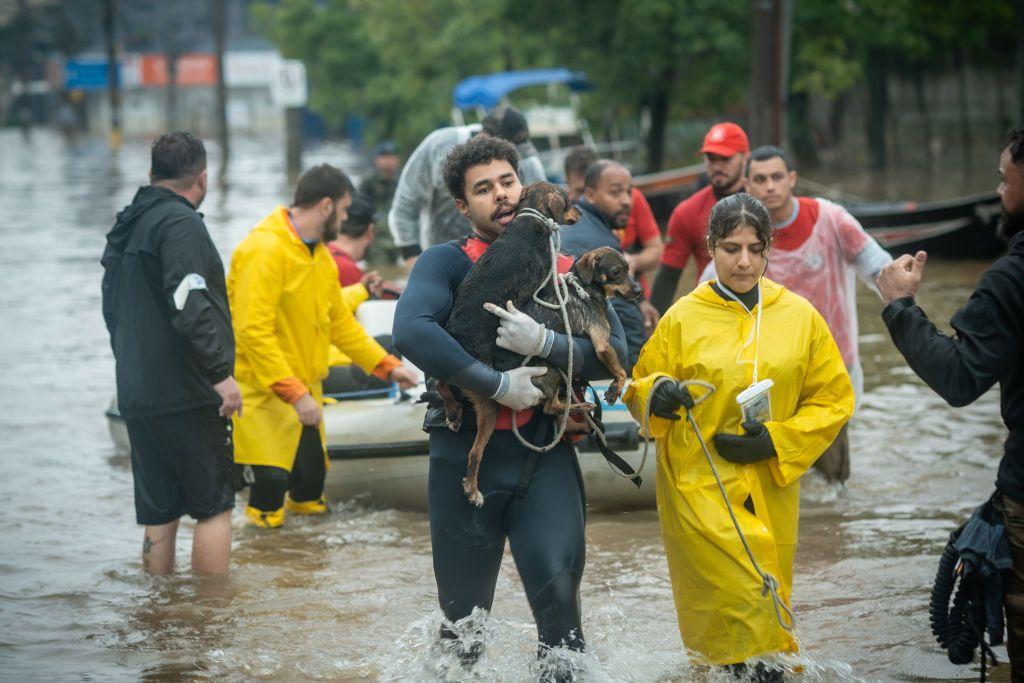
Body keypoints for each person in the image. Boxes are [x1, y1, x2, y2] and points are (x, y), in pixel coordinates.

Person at [392, 135, 627, 669]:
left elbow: (619, 353)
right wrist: (495, 386)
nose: (499, 196)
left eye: (507, 182)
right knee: (462, 637)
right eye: (482, 189)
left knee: (564, 632)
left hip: (544, 460)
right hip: (463, 461)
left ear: (525, 188)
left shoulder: (569, 265)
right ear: (461, 205)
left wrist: (545, 344)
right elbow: (410, 329)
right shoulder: (445, 264)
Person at [624, 193, 853, 676]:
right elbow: (637, 388)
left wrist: (776, 440)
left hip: (771, 486)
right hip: (698, 487)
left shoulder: (800, 317)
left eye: (754, 248)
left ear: (769, 248)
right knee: (741, 603)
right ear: (710, 248)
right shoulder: (683, 317)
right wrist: (657, 394)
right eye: (731, 248)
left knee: (767, 603)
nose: (744, 261)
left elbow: (833, 398)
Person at [876, 131, 1024, 677]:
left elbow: (960, 378)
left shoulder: (1012, 278)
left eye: (1005, 180)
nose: (998, 191)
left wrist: (900, 306)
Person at [228, 164, 418, 528]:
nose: (346, 219)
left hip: (307, 397)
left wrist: (386, 366)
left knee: (311, 490)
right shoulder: (264, 250)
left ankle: (310, 571)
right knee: (268, 502)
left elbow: (339, 325)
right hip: (265, 400)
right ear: (327, 206)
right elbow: (253, 333)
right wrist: (294, 394)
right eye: (345, 210)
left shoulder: (318, 256)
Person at [701, 145, 892, 483]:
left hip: (830, 366)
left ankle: (832, 530)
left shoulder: (831, 219)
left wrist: (898, 286)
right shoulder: (742, 235)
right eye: (760, 179)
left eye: (777, 177)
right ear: (747, 185)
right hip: (766, 374)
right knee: (771, 467)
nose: (770, 186)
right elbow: (706, 295)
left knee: (833, 477)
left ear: (792, 179)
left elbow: (876, 266)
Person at [101, 131, 240, 575]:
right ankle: (207, 621)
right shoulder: (180, 224)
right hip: (189, 391)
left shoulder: (124, 228)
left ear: (151, 174)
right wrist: (220, 374)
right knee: (214, 507)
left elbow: (112, 312)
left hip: (138, 394)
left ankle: (159, 613)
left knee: (159, 512)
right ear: (202, 179)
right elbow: (189, 300)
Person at [388, 105, 547, 268]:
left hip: (505, 263)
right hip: (443, 261)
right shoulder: (439, 147)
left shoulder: (528, 163)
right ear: (484, 136)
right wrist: (414, 259)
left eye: (507, 182)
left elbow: (542, 215)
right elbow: (406, 205)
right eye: (484, 189)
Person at [559, 159, 659, 369]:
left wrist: (641, 303)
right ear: (591, 194)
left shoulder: (572, 223)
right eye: (615, 193)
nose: (626, 201)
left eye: (629, 192)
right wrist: (638, 371)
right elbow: (623, 314)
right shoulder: (601, 247)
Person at [650, 122, 750, 314]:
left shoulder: (765, 203)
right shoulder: (688, 212)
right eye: (711, 159)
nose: (717, 166)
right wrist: (654, 327)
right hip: (714, 314)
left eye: (725, 159)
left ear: (745, 157)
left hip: (767, 310)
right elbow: (668, 277)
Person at [563, 145, 664, 296]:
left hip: (631, 291)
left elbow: (656, 249)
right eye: (579, 192)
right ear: (567, 184)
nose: (584, 199)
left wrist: (633, 261)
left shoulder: (630, 199)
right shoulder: (565, 212)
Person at [359, 141, 401, 265]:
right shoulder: (368, 183)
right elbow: (360, 211)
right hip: (376, 242)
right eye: (384, 157)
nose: (389, 160)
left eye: (392, 156)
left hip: (397, 239)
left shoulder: (402, 182)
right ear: (377, 160)